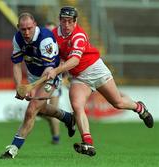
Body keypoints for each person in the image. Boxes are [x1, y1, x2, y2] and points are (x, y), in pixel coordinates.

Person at [46, 6, 154, 157]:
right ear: (60, 20)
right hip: (79, 77)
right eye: (63, 21)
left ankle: (139, 107)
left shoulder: (79, 35)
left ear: (75, 21)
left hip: (95, 70)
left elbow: (75, 60)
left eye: (70, 21)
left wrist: (56, 71)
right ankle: (88, 143)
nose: (66, 25)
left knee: (118, 103)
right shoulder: (54, 34)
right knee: (77, 106)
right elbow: (56, 56)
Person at [0, 12, 75, 159]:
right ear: (18, 28)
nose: (26, 32)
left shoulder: (44, 39)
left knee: (32, 109)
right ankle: (67, 117)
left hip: (51, 74)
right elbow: (16, 64)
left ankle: (13, 149)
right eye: (23, 29)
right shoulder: (17, 39)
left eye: (29, 28)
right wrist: (19, 87)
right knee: (40, 109)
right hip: (34, 75)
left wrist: (32, 88)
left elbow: (48, 70)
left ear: (34, 25)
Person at [37, 21, 61, 144]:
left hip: (54, 81)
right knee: (41, 111)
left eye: (52, 31)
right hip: (43, 78)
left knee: (51, 109)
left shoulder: (58, 46)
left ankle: (56, 138)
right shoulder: (43, 45)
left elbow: (63, 64)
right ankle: (64, 118)